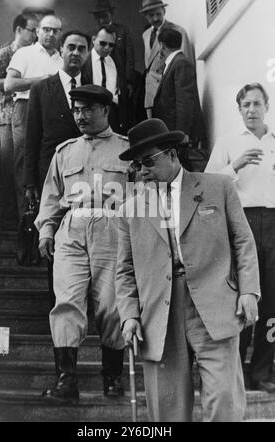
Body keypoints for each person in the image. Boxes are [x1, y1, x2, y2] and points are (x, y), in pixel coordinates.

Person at [116, 118, 260, 422]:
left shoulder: (218, 187)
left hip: (215, 305)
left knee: (224, 401)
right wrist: (129, 315)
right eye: (136, 165)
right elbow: (124, 270)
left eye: (147, 162)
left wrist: (248, 291)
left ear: (171, 153)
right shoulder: (130, 210)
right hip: (160, 313)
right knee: (167, 409)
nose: (141, 171)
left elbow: (243, 242)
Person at [35, 85, 129, 403]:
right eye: (76, 109)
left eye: (88, 109)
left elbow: (145, 199)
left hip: (113, 229)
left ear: (106, 110)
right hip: (72, 230)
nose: (80, 116)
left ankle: (113, 378)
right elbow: (51, 196)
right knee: (66, 303)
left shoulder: (128, 149)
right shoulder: (65, 152)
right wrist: (46, 231)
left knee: (112, 306)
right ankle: (66, 381)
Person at [205, 83, 275, 394]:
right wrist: (235, 165)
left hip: (274, 223)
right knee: (242, 298)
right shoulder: (229, 141)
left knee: (273, 304)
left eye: (256, 104)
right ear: (239, 109)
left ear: (266, 107)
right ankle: (237, 372)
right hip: (242, 223)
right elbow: (206, 185)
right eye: (245, 104)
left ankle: (262, 371)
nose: (251, 110)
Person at [24, 30, 90, 304]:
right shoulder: (42, 88)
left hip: (87, 174)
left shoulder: (94, 88)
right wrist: (30, 182)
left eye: (82, 49)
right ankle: (57, 300)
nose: (76, 53)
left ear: (87, 54)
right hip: (52, 173)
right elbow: (32, 137)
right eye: (71, 47)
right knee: (53, 235)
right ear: (61, 50)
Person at [4, 14, 63, 228]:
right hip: (26, 108)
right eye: (46, 29)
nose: (51, 34)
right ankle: (26, 225)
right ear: (38, 31)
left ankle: (45, 226)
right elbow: (9, 85)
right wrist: (40, 82)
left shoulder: (62, 58)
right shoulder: (25, 52)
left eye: (56, 31)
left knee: (49, 166)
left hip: (53, 114)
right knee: (24, 165)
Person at [0, 12, 38, 228]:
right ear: (19, 30)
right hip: (7, 115)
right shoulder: (5, 53)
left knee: (23, 165)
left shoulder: (33, 54)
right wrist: (18, 82)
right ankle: (6, 215)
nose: (35, 35)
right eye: (32, 30)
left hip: (26, 115)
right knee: (8, 165)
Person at [139, 0, 193, 118]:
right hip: (150, 91)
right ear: (145, 16)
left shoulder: (177, 31)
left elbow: (185, 65)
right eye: (151, 15)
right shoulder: (146, 34)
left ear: (164, 11)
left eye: (158, 13)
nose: (155, 18)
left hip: (168, 90)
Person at [152, 28, 206, 149]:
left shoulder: (180, 63)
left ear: (161, 45)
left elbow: (185, 101)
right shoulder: (176, 62)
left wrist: (182, 132)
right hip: (174, 132)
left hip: (179, 134)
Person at [82, 24, 128, 133]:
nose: (107, 48)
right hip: (91, 112)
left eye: (111, 45)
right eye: (102, 43)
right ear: (93, 40)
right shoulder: (84, 61)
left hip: (112, 114)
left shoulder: (115, 61)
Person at [89, 0, 135, 98]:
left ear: (111, 14)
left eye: (104, 16)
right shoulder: (93, 34)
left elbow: (129, 58)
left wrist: (129, 81)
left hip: (119, 79)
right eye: (98, 17)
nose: (101, 20)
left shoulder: (123, 31)